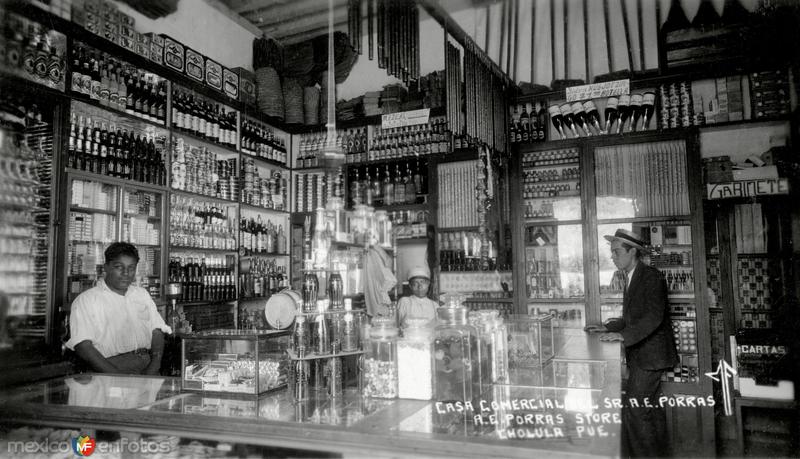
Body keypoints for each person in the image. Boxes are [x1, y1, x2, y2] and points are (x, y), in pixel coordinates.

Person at [586, 228, 678, 458]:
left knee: (635, 411)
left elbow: (653, 317)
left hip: (651, 357)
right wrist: (608, 327)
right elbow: (631, 319)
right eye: (612, 252)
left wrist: (624, 336)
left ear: (632, 252)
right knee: (649, 410)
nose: (613, 257)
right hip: (644, 356)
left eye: (617, 252)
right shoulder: (631, 276)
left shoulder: (651, 276)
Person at [66, 242, 171, 375]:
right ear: (106, 267)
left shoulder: (141, 294)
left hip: (147, 364)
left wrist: (154, 365)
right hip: (110, 367)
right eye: (119, 267)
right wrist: (116, 376)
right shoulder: (87, 300)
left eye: (131, 268)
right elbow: (83, 346)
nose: (126, 273)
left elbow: (156, 330)